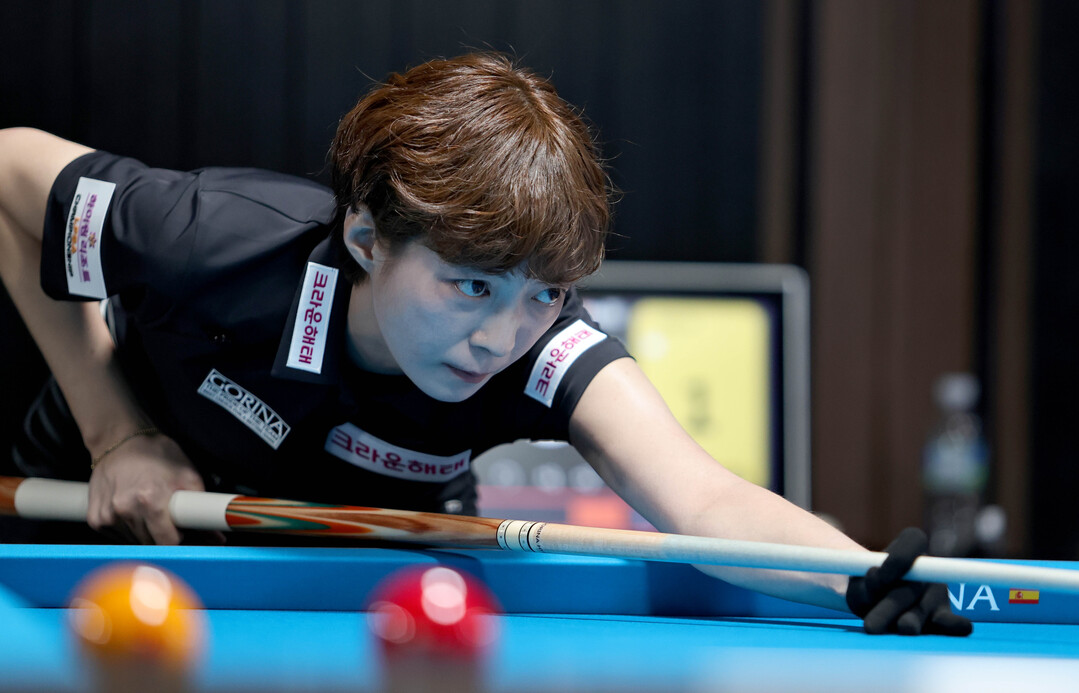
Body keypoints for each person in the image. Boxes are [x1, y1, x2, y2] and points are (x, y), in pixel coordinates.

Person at [0, 53, 969, 635]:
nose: (503, 336)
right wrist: (118, 434)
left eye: (545, 292)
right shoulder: (219, 237)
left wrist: (857, 572)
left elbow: (705, 501)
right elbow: (6, 172)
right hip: (100, 505)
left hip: (369, 555)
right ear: (368, 236)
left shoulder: (544, 350)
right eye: (471, 284)